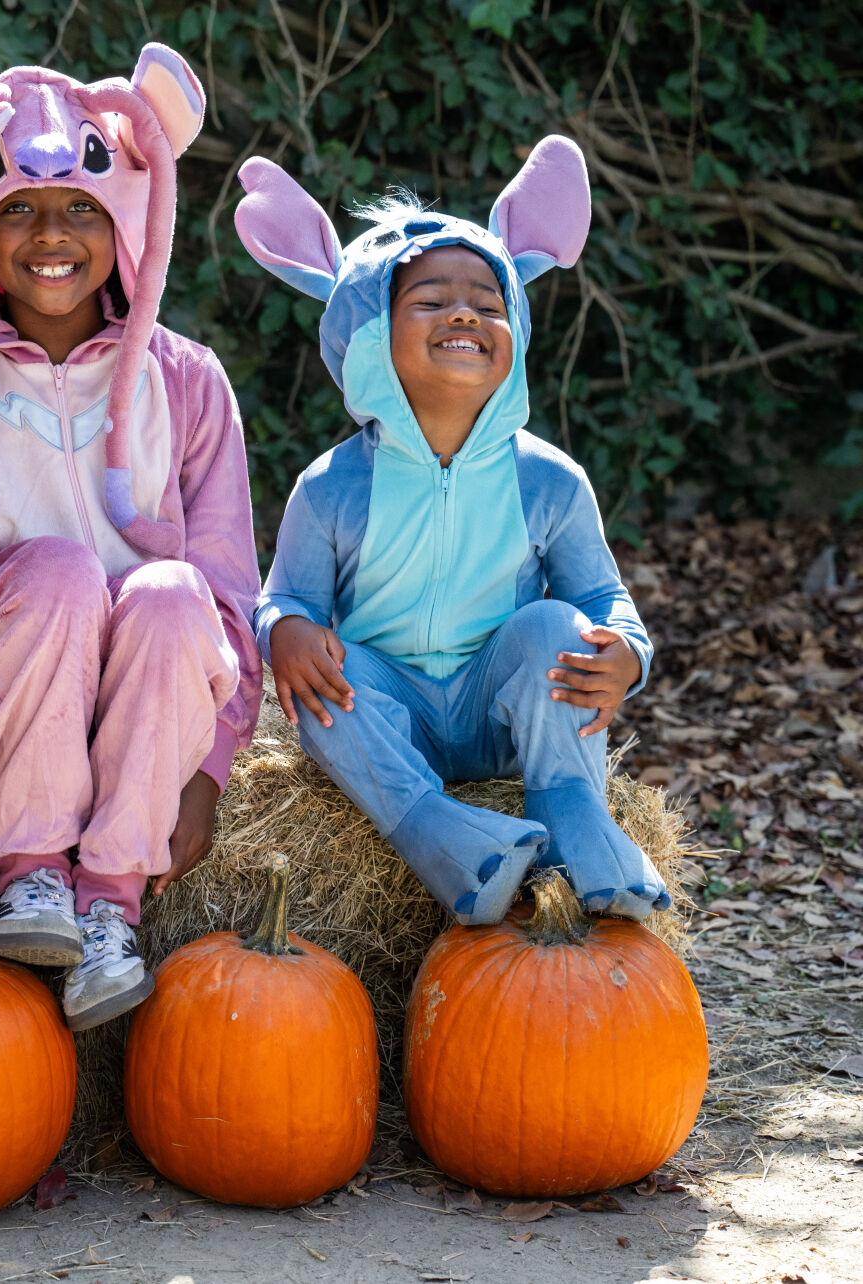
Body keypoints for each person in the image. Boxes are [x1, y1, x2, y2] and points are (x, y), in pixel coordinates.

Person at [0, 43, 262, 1031]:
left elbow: (228, 594)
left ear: (128, 224)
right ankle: (31, 876)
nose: (51, 232)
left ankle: (107, 908)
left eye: (81, 206)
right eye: (18, 208)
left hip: (153, 685)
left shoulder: (187, 382)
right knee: (51, 571)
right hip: (1, 691)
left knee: (172, 589)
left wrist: (209, 774)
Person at [234, 136, 669, 926]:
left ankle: (575, 817)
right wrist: (288, 630)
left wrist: (625, 653)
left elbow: (602, 596)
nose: (464, 311)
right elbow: (285, 597)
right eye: (430, 300)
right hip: (388, 719)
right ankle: (438, 832)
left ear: (516, 332)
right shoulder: (332, 487)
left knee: (552, 626)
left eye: (487, 301)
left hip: (501, 711)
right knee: (328, 688)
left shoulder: (547, 479)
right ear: (368, 334)